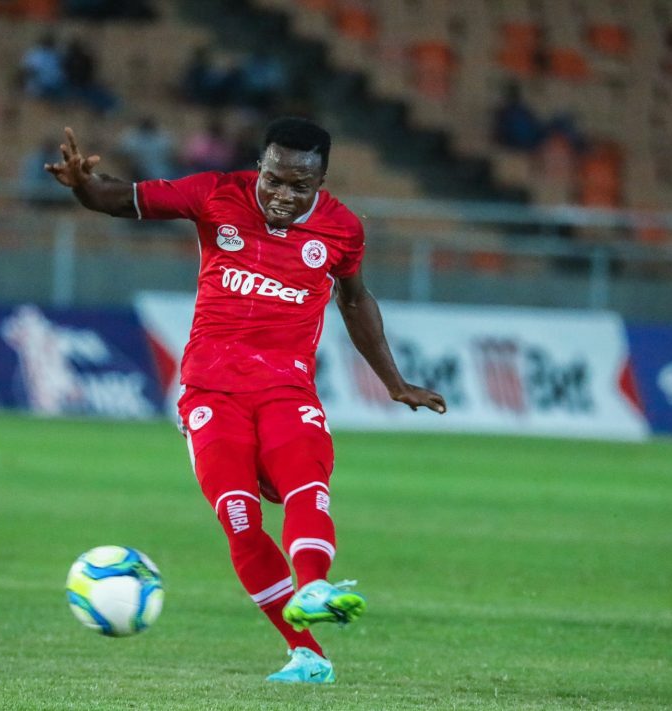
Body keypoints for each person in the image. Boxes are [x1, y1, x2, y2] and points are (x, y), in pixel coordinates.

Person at [43, 117, 447, 683]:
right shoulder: (216, 194)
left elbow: (355, 301)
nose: (282, 195)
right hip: (210, 391)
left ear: (321, 182)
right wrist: (85, 186)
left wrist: (394, 382)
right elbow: (123, 199)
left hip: (287, 388)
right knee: (240, 520)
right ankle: (307, 655)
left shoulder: (342, 229)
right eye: (273, 179)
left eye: (299, 186)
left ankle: (314, 586)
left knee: (305, 485)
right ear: (260, 167)